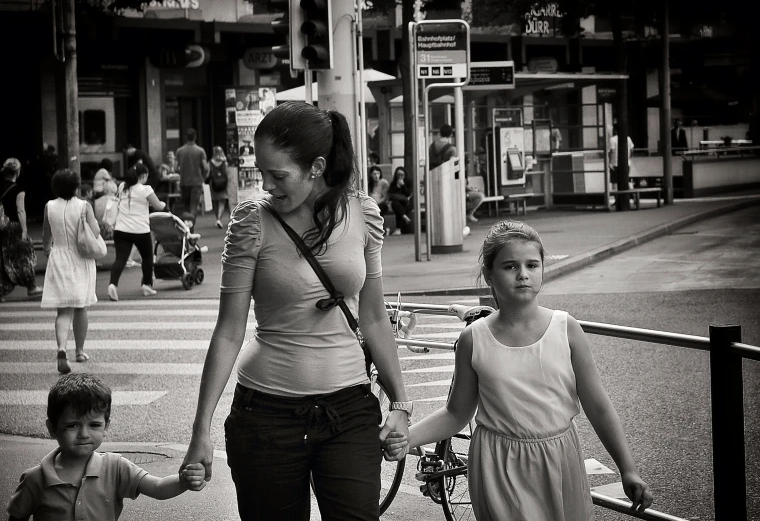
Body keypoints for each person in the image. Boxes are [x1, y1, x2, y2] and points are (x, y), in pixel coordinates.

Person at [180, 101, 411, 521]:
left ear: (317, 167)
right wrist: (201, 431)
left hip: (349, 410)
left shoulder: (363, 214)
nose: (267, 185)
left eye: (278, 175)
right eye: (262, 173)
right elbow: (229, 331)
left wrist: (400, 405)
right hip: (266, 415)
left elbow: (375, 317)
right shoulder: (252, 223)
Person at [385, 220, 654, 520]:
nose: (523, 274)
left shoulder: (567, 329)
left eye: (532, 265)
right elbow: (457, 413)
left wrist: (627, 468)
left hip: (560, 460)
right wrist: (407, 438)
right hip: (498, 465)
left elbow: (599, 406)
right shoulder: (474, 338)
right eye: (510, 266)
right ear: (488, 274)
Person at [6, 373, 205, 521]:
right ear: (52, 428)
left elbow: (158, 487)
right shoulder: (35, 479)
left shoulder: (115, 467)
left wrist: (183, 481)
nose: (84, 434)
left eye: (94, 425)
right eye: (72, 425)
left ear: (106, 426)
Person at [40, 170, 98, 373]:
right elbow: (96, 232)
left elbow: (46, 236)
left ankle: (61, 348)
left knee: (63, 310)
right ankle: (80, 351)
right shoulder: (84, 206)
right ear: (76, 187)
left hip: (59, 256)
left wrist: (49, 250)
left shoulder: (49, 206)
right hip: (80, 258)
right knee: (81, 306)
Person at [107, 163, 166, 302]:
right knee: (147, 257)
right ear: (144, 176)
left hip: (121, 229)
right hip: (140, 230)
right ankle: (147, 285)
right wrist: (163, 204)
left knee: (120, 259)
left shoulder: (122, 186)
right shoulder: (146, 189)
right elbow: (158, 206)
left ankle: (113, 284)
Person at [0, 158, 43, 302]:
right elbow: (20, 211)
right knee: (24, 257)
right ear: (17, 172)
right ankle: (31, 287)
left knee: (3, 258)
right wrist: (24, 230)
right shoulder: (18, 190)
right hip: (12, 227)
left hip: (1, 228)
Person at [176, 128, 208, 218]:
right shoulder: (200, 151)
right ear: (195, 137)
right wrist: (203, 177)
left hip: (184, 182)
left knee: (186, 206)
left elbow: (175, 167)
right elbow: (205, 167)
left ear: (186, 137)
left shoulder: (179, 151)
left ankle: (187, 226)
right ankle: (191, 226)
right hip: (196, 182)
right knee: (194, 206)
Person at [387, 167, 413, 236]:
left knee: (399, 208)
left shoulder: (409, 182)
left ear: (405, 175)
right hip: (398, 203)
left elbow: (408, 193)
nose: (400, 177)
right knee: (395, 204)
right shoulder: (394, 183)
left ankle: (398, 229)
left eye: (402, 175)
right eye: (398, 175)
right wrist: (397, 186)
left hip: (408, 203)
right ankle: (404, 217)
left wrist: (403, 185)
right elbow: (390, 193)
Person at [208, 146, 230, 229]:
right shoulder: (224, 162)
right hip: (223, 184)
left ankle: (217, 218)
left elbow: (207, 173)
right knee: (222, 202)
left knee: (215, 202)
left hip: (213, 184)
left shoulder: (210, 162)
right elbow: (228, 172)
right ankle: (219, 219)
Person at [608, 125, 634, 191]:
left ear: (615, 131)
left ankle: (617, 199)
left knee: (615, 182)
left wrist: (610, 162)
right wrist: (628, 158)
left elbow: (611, 151)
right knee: (626, 180)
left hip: (614, 164)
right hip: (627, 163)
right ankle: (634, 194)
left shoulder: (612, 139)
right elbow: (632, 150)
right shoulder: (628, 138)